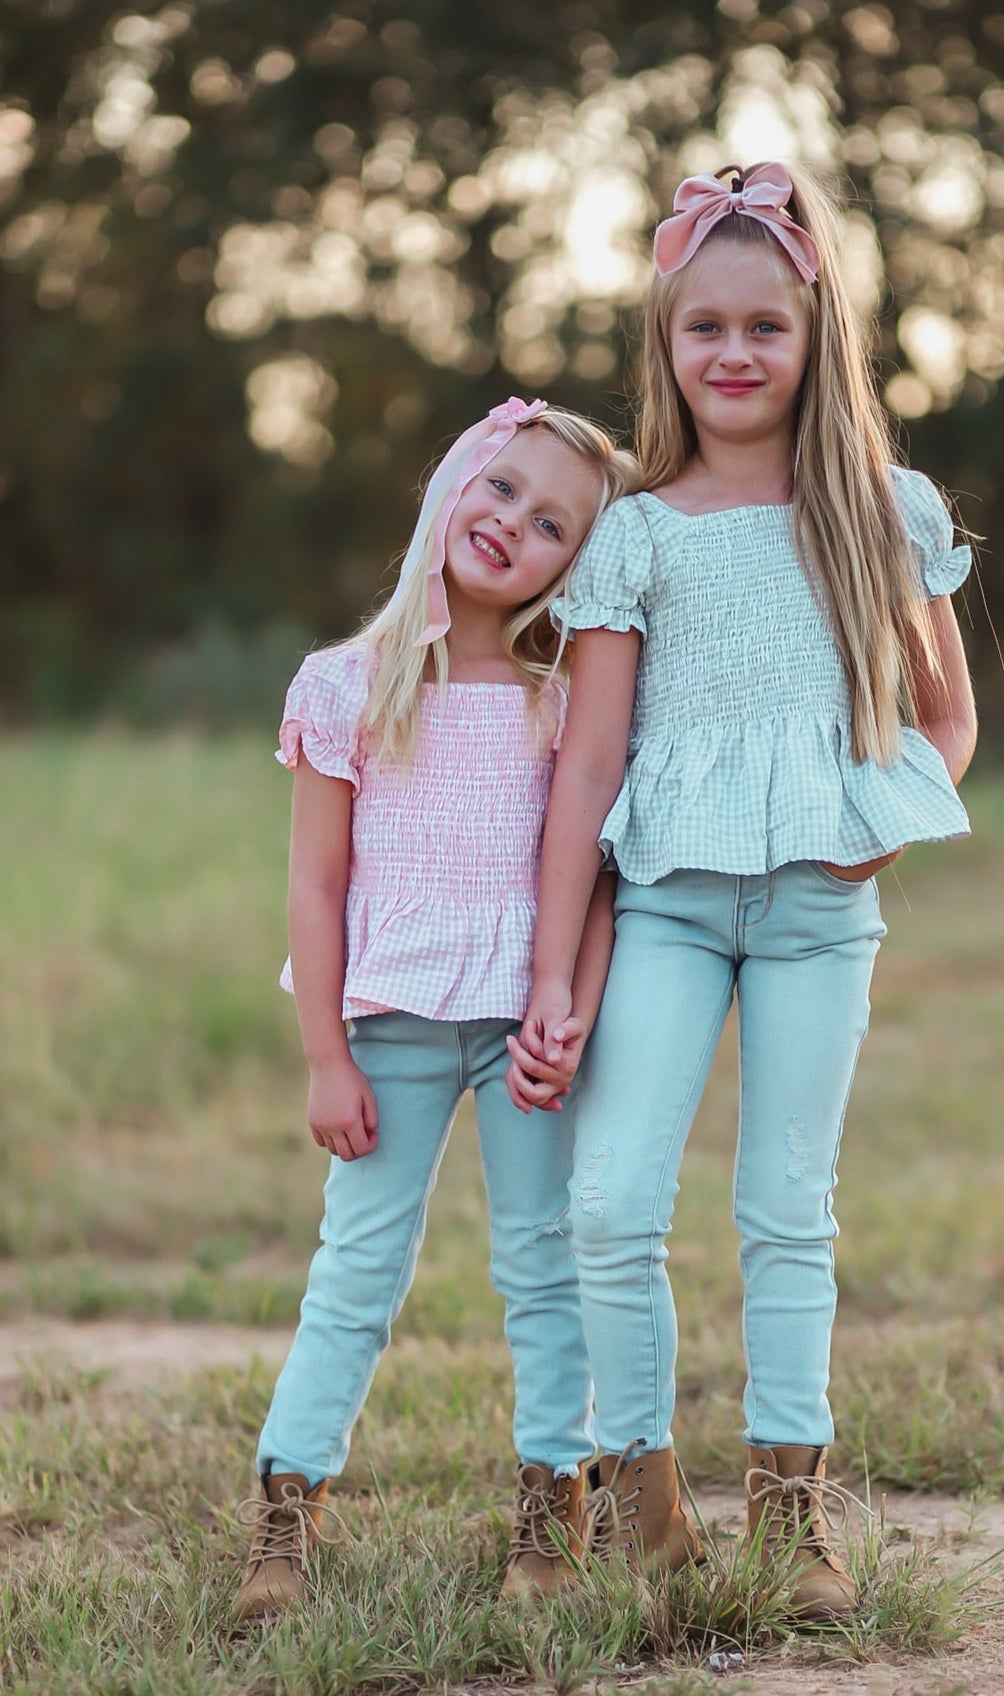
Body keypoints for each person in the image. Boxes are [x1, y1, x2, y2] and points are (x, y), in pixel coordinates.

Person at [507, 164, 978, 1619]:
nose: (731, 354)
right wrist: (547, 973)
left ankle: (792, 1506)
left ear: (812, 326)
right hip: (664, 908)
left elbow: (947, 715)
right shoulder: (637, 530)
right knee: (609, 1202)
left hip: (817, 919)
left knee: (787, 1207)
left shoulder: (878, 507)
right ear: (665, 342)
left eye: (762, 326)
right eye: (702, 327)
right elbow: (586, 774)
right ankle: (643, 1497)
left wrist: (875, 833)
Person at [232, 398, 640, 1624]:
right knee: (355, 1271)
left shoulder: (564, 696)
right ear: (455, 483)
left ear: (577, 561)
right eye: (502, 490)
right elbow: (315, 882)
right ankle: (284, 1511)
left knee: (542, 1263)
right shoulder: (347, 683)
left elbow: (603, 877)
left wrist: (570, 1015)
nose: (515, 525)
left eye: (554, 523)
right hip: (389, 1024)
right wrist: (323, 1058)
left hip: (523, 1030)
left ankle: (549, 1503)